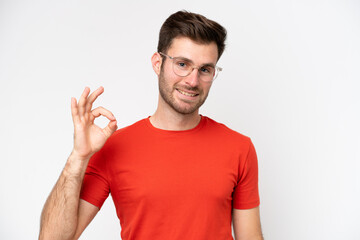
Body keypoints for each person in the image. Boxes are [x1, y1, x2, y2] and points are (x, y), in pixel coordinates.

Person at [39, 10, 264, 240]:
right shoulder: (114, 147)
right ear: (158, 63)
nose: (193, 81)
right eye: (182, 64)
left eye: (205, 69)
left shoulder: (239, 148)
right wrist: (78, 157)